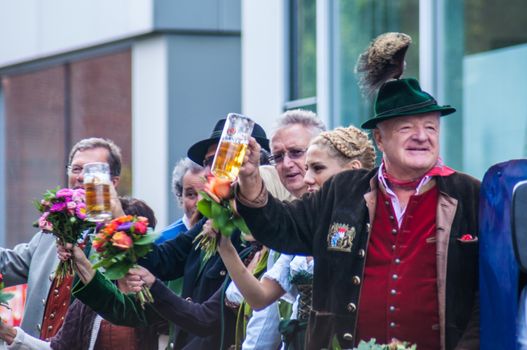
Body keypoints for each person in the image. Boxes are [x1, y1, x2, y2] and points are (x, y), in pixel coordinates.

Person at [234, 33, 480, 350]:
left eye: (430, 127)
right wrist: (251, 178)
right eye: (407, 128)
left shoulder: (470, 194)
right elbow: (284, 229)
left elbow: (490, 293)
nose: (422, 137)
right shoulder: (343, 191)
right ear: (380, 139)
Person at [212, 125, 375, 349]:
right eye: (307, 168)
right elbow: (259, 298)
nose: (307, 178)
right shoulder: (308, 229)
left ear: (353, 172)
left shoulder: (376, 223)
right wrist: (225, 247)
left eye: (317, 169)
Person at [0, 138, 123, 339]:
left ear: (113, 182)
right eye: (76, 169)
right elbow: (8, 265)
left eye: (92, 171)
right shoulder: (50, 233)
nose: (82, 177)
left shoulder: (122, 236)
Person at [0, 197, 160, 350]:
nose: (107, 243)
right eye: (104, 234)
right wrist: (9, 333)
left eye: (116, 236)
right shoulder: (88, 301)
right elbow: (60, 347)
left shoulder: (158, 295)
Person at [156, 158, 205, 244]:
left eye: (206, 193)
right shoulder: (163, 240)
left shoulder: (226, 238)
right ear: (180, 196)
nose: (199, 202)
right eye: (191, 194)